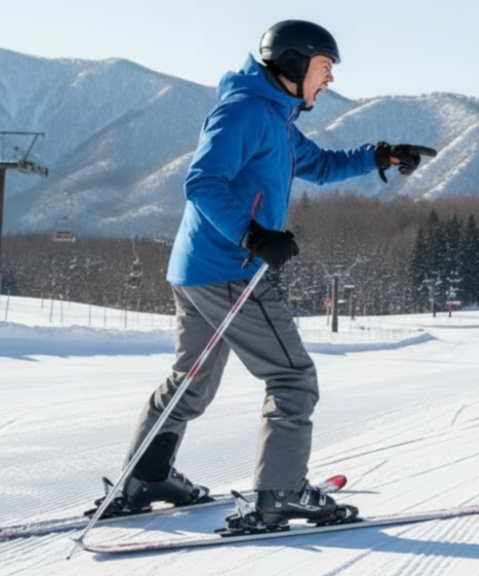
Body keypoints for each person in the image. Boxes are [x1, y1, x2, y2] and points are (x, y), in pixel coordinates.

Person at [100, 20, 436, 528]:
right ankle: (280, 492)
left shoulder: (273, 117)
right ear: (295, 63)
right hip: (229, 269)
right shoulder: (245, 112)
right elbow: (202, 181)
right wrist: (253, 235)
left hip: (197, 270)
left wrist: (378, 157)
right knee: (292, 376)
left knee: (191, 379)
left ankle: (147, 475)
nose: (328, 81)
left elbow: (319, 165)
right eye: (324, 69)